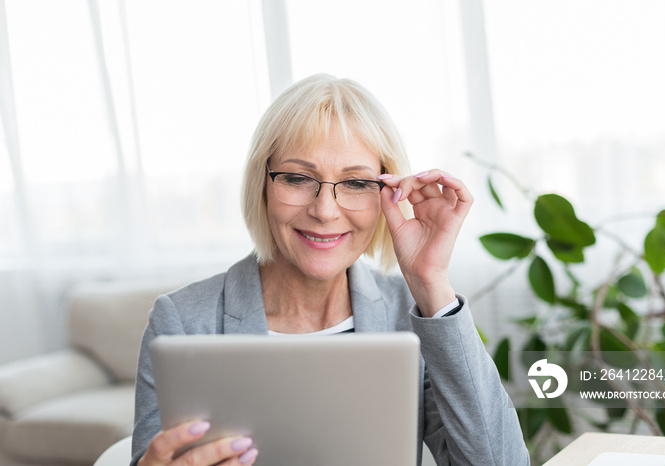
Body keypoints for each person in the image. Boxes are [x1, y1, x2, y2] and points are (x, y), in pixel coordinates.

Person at [131, 74, 530, 466]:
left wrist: (430, 282)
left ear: (387, 196)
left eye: (356, 183)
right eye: (297, 178)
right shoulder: (182, 321)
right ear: (263, 186)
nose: (324, 210)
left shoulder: (409, 316)